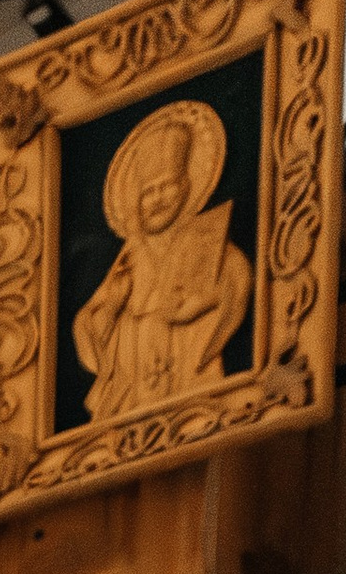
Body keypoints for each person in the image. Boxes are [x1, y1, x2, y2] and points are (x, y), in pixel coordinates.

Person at [74, 99, 250, 422]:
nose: (157, 199)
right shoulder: (130, 256)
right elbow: (90, 322)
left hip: (187, 364)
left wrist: (203, 302)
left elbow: (235, 283)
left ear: (186, 186)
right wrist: (112, 306)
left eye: (166, 186)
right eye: (148, 191)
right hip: (132, 381)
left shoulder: (204, 238)